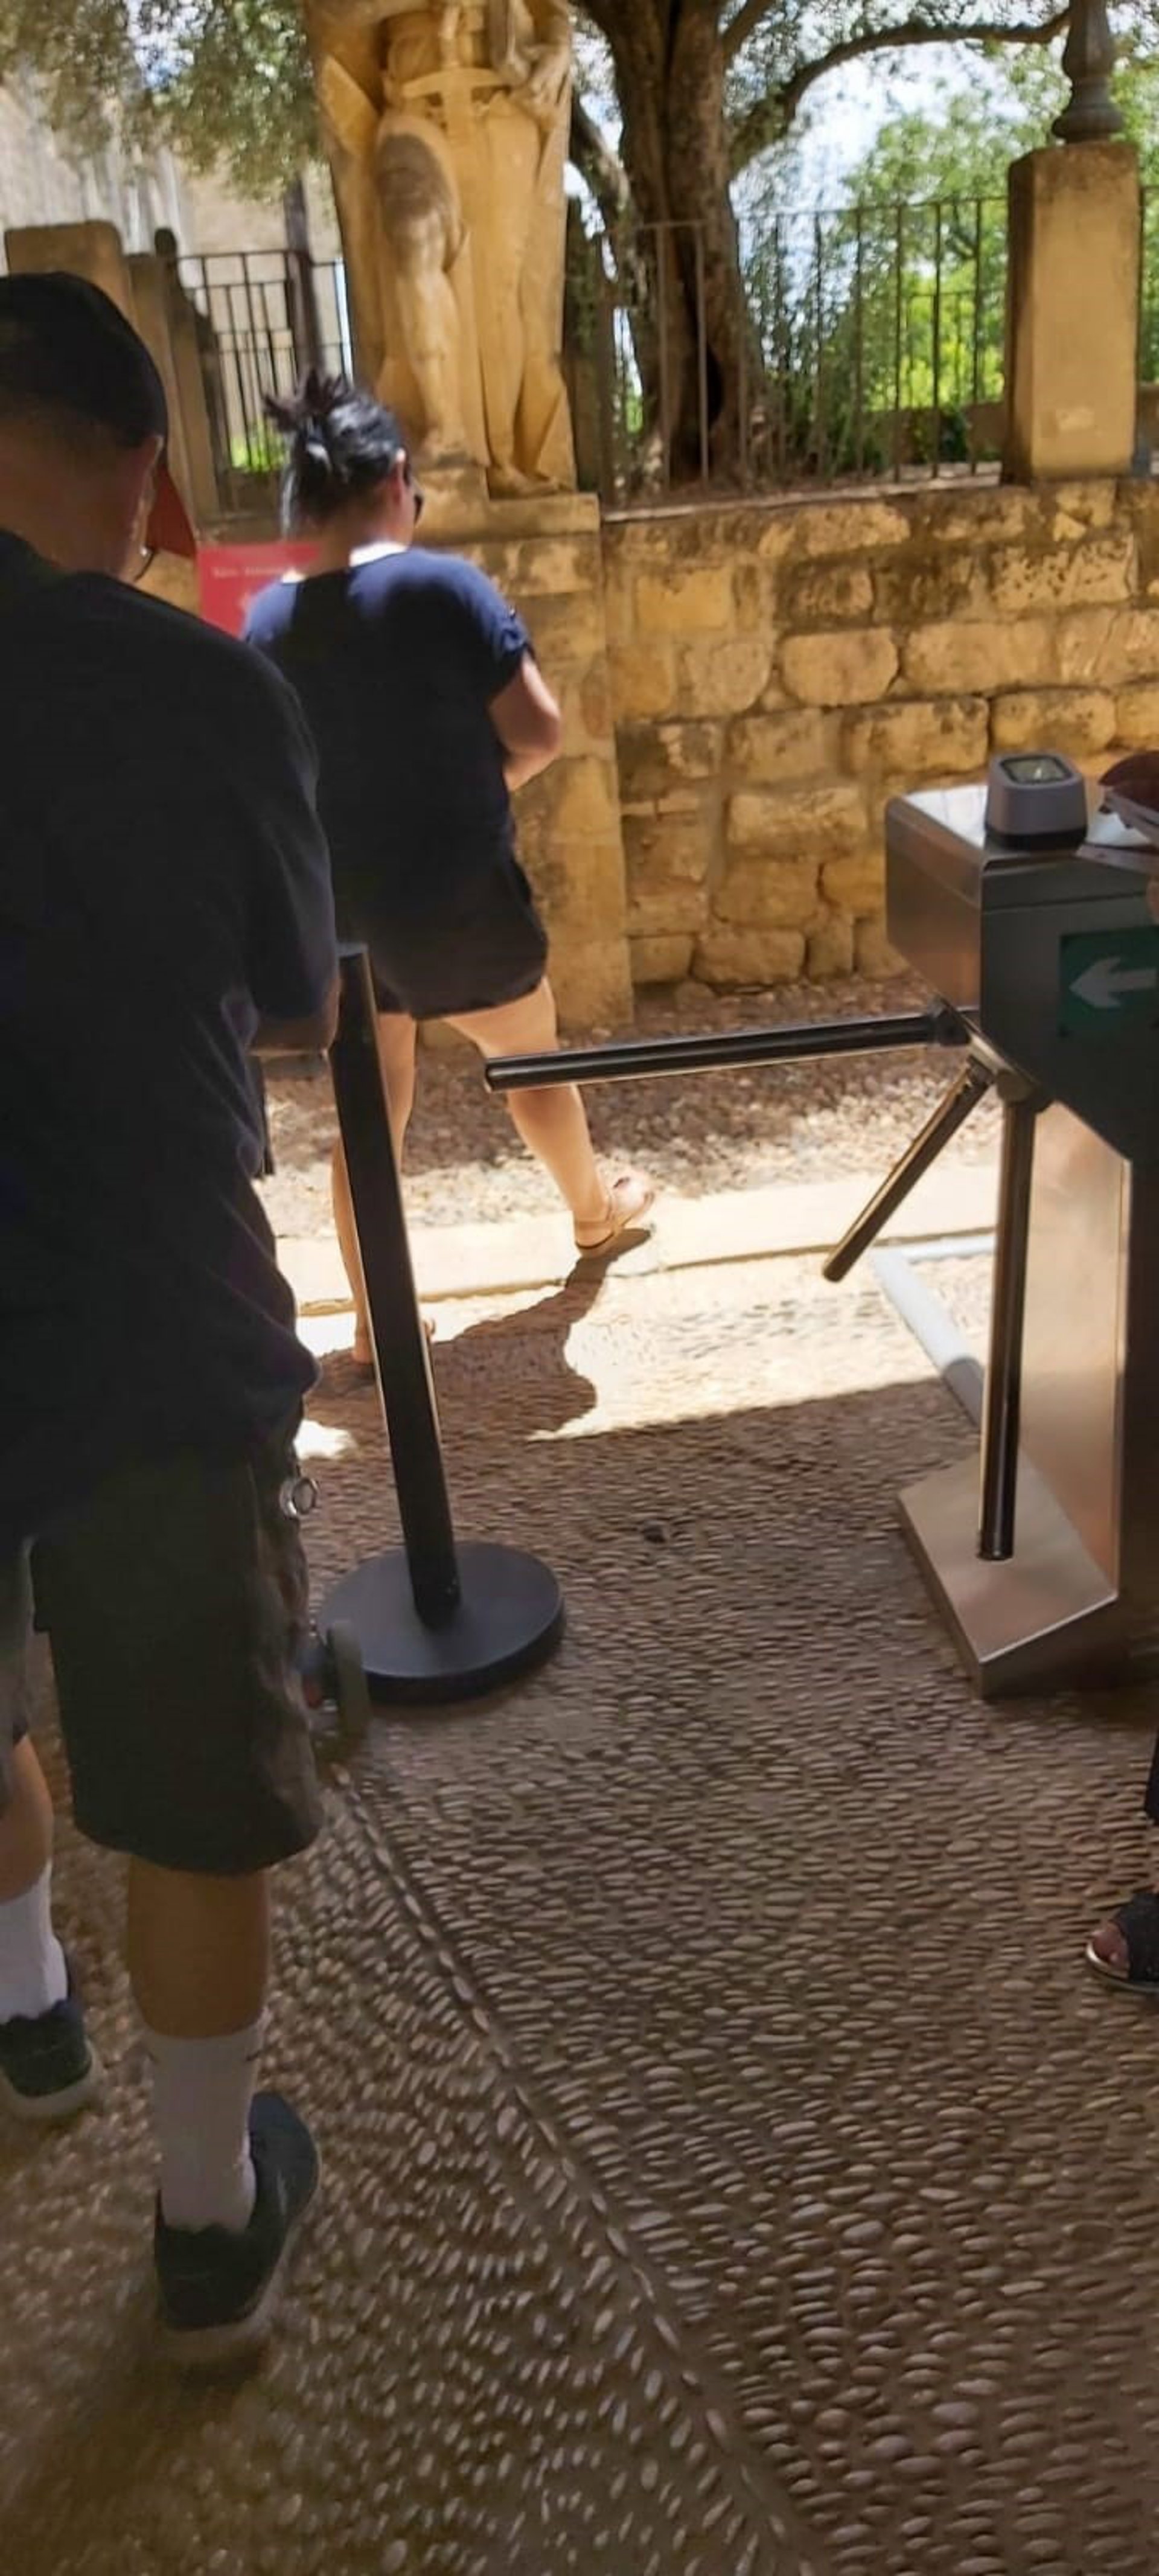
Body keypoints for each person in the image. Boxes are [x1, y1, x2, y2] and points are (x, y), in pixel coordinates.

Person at [0, 274, 339, 2366]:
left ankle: (27, 2014)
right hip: (141, 1296)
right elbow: (296, 992)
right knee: (197, 1782)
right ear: (141, 469)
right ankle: (209, 2221)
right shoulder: (194, 686)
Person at [244, 369, 653, 1374]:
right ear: (397, 477)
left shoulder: (267, 624)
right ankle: (594, 1213)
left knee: (370, 1109)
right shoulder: (442, 589)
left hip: (344, 911)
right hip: (459, 891)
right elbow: (539, 733)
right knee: (529, 1063)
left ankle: (378, 1321)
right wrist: (470, 786)